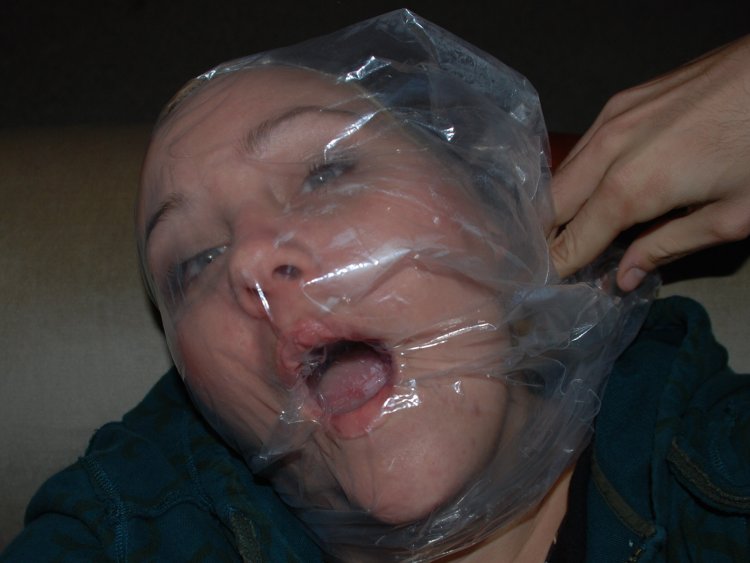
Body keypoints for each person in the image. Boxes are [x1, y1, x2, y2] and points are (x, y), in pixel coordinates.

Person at [2, 10, 748, 563]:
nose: (249, 260)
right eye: (195, 260)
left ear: (500, 207)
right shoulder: (131, 526)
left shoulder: (712, 468)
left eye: (326, 172)